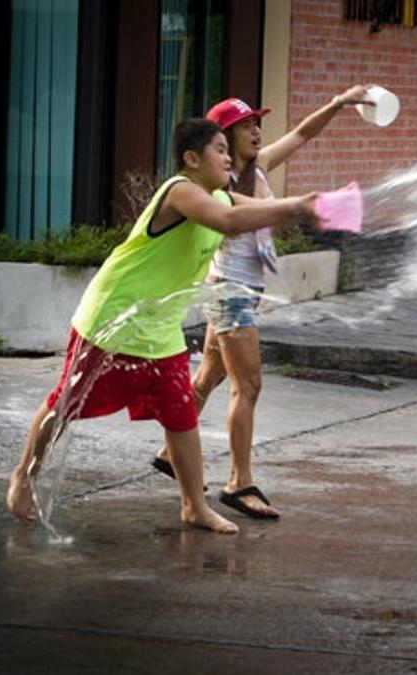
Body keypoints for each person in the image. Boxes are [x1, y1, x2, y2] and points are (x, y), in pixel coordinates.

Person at [7, 119, 319, 534]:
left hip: (158, 325)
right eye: (220, 149)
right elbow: (228, 223)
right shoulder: (181, 191)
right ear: (191, 159)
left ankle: (194, 506)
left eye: (229, 150)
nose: (229, 157)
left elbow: (246, 210)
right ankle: (23, 476)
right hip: (112, 319)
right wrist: (298, 206)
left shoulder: (220, 196)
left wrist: (305, 205)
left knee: (180, 412)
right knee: (67, 401)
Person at [150, 86, 372, 520]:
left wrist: (340, 102)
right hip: (231, 291)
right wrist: (309, 208)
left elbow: (303, 133)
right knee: (247, 386)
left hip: (239, 290)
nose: (255, 132)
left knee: (209, 377)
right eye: (245, 126)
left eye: (256, 124)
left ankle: (167, 452)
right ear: (221, 138)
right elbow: (240, 214)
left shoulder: (260, 166)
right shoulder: (218, 186)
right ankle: (239, 483)